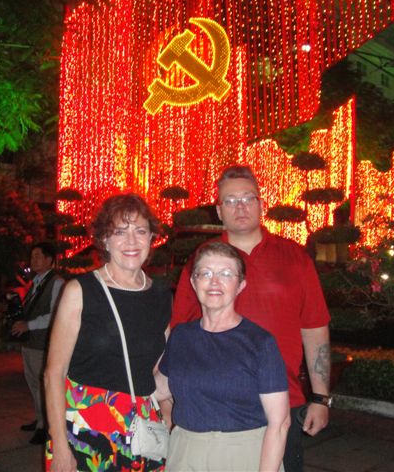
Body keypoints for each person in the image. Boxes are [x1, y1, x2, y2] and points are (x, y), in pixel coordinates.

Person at [172, 165, 332, 472]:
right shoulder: (202, 262)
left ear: (261, 204)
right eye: (230, 201)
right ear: (219, 210)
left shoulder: (294, 258)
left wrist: (321, 398)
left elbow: (314, 328)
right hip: (215, 405)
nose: (240, 206)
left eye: (248, 198)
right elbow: (179, 331)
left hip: (285, 399)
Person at [44, 193, 171, 472]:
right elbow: (54, 373)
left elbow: (162, 370)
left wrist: (169, 421)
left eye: (140, 231)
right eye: (120, 232)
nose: (131, 241)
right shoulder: (80, 291)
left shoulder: (161, 294)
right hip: (86, 428)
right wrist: (60, 446)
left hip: (142, 427)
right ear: (104, 240)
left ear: (152, 238)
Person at [155, 241, 290, 471]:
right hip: (185, 453)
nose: (214, 281)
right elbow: (159, 389)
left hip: (242, 455)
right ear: (193, 282)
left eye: (226, 274)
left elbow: (279, 423)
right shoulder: (181, 336)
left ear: (240, 285)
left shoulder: (259, 342)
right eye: (205, 273)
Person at [12, 242, 65, 444]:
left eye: (38, 256)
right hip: (30, 342)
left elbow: (56, 314)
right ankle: (40, 419)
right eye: (32, 256)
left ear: (50, 260)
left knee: (43, 386)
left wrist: (29, 325)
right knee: (33, 384)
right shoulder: (36, 281)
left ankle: (46, 426)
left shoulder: (56, 282)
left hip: (42, 343)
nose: (33, 260)